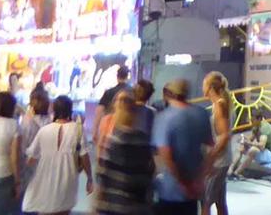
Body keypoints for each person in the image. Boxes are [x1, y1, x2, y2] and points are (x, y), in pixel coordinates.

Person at [22, 95, 93, 215]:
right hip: (67, 177)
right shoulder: (77, 130)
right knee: (63, 210)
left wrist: (21, 176)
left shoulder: (44, 130)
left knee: (44, 209)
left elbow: (31, 159)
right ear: (70, 110)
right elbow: (84, 157)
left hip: (44, 177)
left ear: (54, 110)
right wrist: (89, 178)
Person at [153, 78, 215, 215]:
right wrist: (199, 178)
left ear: (169, 94)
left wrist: (184, 184)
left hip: (170, 190)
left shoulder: (164, 117)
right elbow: (212, 148)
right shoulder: (201, 114)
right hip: (193, 190)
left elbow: (166, 156)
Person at [95, 92, 154, 215]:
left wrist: (96, 207)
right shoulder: (143, 140)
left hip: (114, 205)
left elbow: (104, 177)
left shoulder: (114, 140)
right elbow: (149, 173)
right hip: (137, 207)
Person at [201, 72, 234, 215]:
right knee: (220, 201)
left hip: (218, 161)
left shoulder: (219, 106)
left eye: (204, 84)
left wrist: (211, 157)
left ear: (209, 88)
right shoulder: (221, 104)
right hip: (222, 159)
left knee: (206, 202)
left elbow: (224, 136)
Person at [95, 66, 133, 156]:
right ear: (127, 76)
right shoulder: (132, 91)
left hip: (110, 127)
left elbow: (99, 111)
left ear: (117, 76)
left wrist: (95, 130)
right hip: (128, 126)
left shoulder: (109, 92)